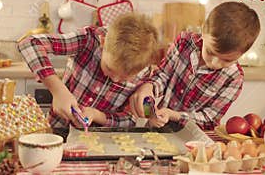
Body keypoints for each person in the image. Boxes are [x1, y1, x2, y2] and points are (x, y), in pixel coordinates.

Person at [129, 2, 261, 130]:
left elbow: (209, 119)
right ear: (203, 30)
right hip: (160, 130)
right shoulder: (184, 42)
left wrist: (173, 115)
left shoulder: (234, 78)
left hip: (195, 142)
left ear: (242, 54)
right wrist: (148, 87)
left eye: (226, 60)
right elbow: (162, 75)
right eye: (210, 52)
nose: (214, 63)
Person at [18, 12, 159, 128]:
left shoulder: (143, 72)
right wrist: (58, 90)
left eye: (124, 78)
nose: (114, 79)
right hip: (58, 129)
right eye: (109, 68)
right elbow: (29, 43)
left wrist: (97, 115)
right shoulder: (88, 40)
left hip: (103, 143)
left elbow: (130, 120)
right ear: (103, 42)